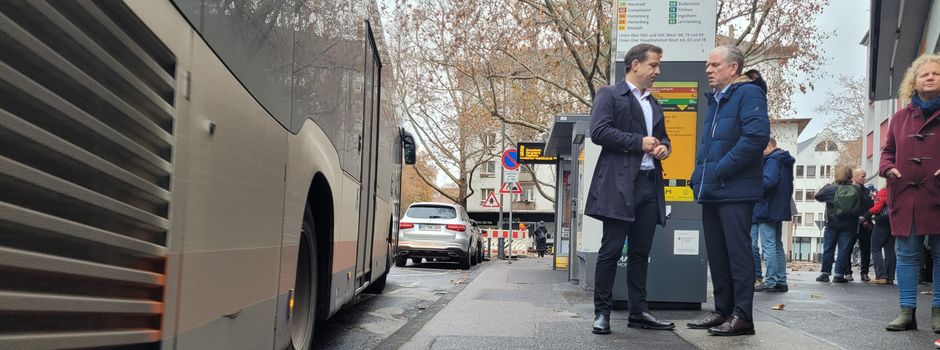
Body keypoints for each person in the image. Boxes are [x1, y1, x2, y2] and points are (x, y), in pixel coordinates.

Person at [585, 43, 674, 334]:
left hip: (649, 185)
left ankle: (639, 312)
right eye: (653, 65)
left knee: (641, 253)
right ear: (635, 65)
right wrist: (638, 142)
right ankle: (602, 314)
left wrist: (663, 148)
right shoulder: (609, 94)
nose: (657, 71)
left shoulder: (654, 103)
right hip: (619, 186)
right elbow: (598, 131)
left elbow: (663, 139)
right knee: (610, 251)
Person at [687, 45, 770, 336]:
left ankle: (742, 316)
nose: (708, 70)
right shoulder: (717, 101)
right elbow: (710, 147)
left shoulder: (748, 94)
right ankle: (723, 310)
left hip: (735, 189)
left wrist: (720, 169)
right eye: (708, 65)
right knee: (718, 254)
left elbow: (756, 137)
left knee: (737, 254)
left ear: (733, 68)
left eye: (715, 65)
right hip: (712, 189)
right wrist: (699, 176)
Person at [880, 53, 940, 332]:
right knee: (906, 253)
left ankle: (939, 313)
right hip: (905, 193)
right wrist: (888, 167)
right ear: (913, 82)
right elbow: (887, 152)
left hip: (938, 192)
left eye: (935, 73)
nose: (929, 77)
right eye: (924, 74)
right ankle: (907, 311)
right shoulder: (900, 117)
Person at [813, 166, 871, 283]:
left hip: (832, 224)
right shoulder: (857, 190)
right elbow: (864, 203)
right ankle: (838, 275)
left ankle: (825, 274)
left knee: (829, 248)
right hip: (850, 225)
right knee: (844, 250)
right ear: (850, 176)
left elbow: (818, 196)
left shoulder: (830, 189)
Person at [751, 138, 795, 293]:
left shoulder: (772, 160)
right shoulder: (784, 160)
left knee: (768, 245)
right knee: (777, 245)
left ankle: (770, 281)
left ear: (769, 146)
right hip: (778, 207)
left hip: (766, 207)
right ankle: (781, 280)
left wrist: (753, 188)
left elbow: (768, 182)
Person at [841, 169, 874, 281]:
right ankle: (847, 272)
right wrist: (856, 218)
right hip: (851, 224)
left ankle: (864, 273)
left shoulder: (868, 191)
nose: (864, 178)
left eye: (864, 176)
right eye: (862, 176)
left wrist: (865, 218)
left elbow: (871, 206)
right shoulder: (848, 190)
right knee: (847, 248)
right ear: (854, 177)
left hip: (865, 223)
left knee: (865, 249)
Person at [868, 187, 895, 285]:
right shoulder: (900, 191)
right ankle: (890, 277)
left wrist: (868, 213)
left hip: (882, 222)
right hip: (893, 223)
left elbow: (877, 208)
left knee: (875, 249)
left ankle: (881, 276)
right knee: (890, 250)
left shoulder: (885, 191)